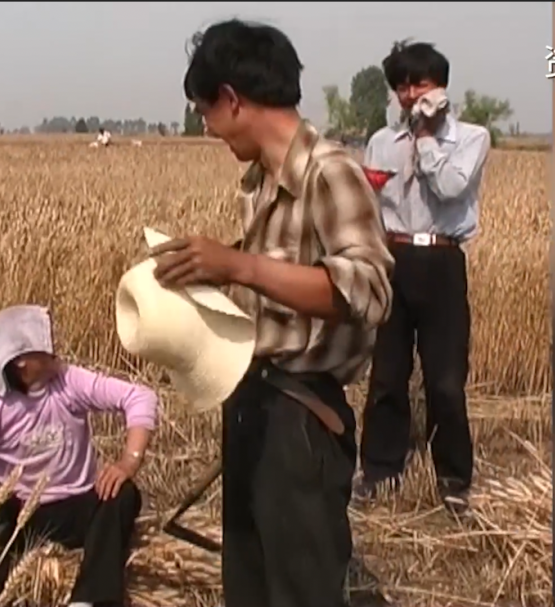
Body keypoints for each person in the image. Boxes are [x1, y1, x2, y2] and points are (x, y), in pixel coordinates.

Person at [152, 19, 394, 607]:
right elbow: (276, 284)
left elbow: (369, 291)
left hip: (302, 421)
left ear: (232, 99)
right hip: (252, 403)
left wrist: (238, 266)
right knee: (250, 585)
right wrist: (213, 274)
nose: (207, 129)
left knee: (300, 591)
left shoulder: (330, 173)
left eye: (206, 112)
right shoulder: (261, 182)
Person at [0, 305, 157, 607]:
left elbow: (139, 396)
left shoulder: (69, 382)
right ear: (20, 362)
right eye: (45, 343)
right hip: (16, 520)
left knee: (122, 493)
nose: (55, 350)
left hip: (75, 512)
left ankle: (89, 600)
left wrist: (129, 461)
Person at [355, 41, 490, 518]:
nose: (412, 95)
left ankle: (453, 480)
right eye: (403, 86)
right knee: (387, 375)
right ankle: (378, 471)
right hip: (394, 257)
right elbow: (369, 204)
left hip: (442, 260)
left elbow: (451, 186)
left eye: (422, 84)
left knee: (446, 380)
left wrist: (428, 138)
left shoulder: (471, 138)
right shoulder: (381, 142)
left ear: (442, 88)